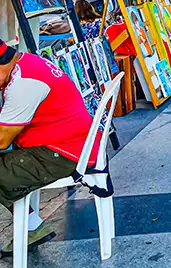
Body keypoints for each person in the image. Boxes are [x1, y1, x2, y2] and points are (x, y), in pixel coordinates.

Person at [0, 39, 101, 254]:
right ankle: (32, 227)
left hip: (64, 153)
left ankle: (30, 227)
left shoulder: (24, 85)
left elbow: (2, 140)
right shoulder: (28, 62)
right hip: (69, 142)